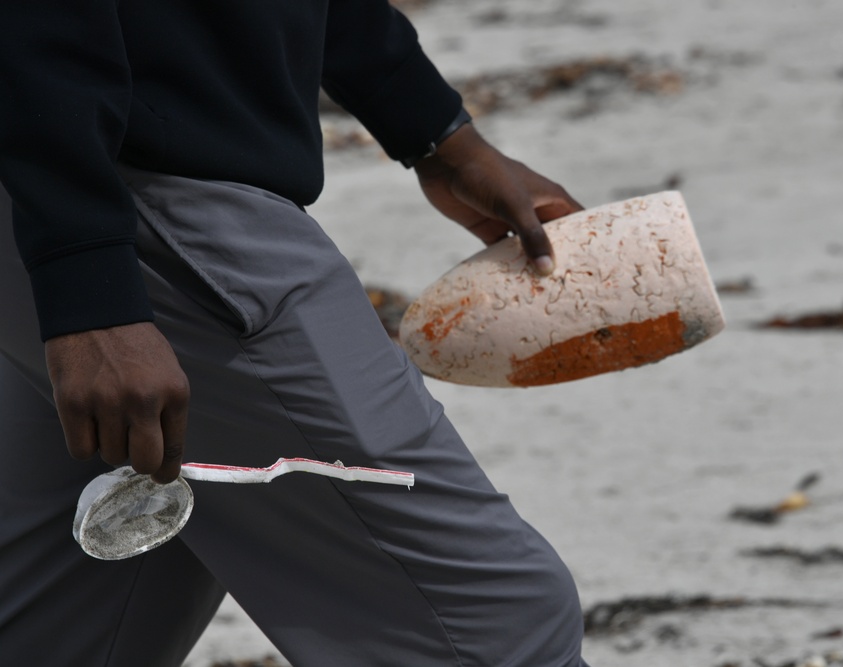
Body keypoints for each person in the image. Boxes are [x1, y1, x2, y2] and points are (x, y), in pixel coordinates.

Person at [0, 2, 591, 665]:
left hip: (71, 175)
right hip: (127, 192)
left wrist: (434, 127)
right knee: (498, 627)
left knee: (69, 624)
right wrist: (90, 287)